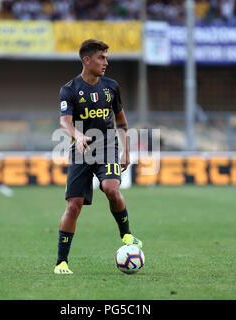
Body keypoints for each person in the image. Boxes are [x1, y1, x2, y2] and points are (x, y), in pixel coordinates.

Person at [54, 39, 142, 274]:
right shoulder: (70, 89)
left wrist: (126, 150)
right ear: (87, 60)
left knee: (111, 188)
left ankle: (127, 235)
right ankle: (62, 262)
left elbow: (121, 121)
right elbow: (64, 122)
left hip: (108, 148)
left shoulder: (111, 86)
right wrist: (77, 135)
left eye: (106, 57)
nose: (106, 62)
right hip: (81, 152)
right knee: (73, 206)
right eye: (101, 58)